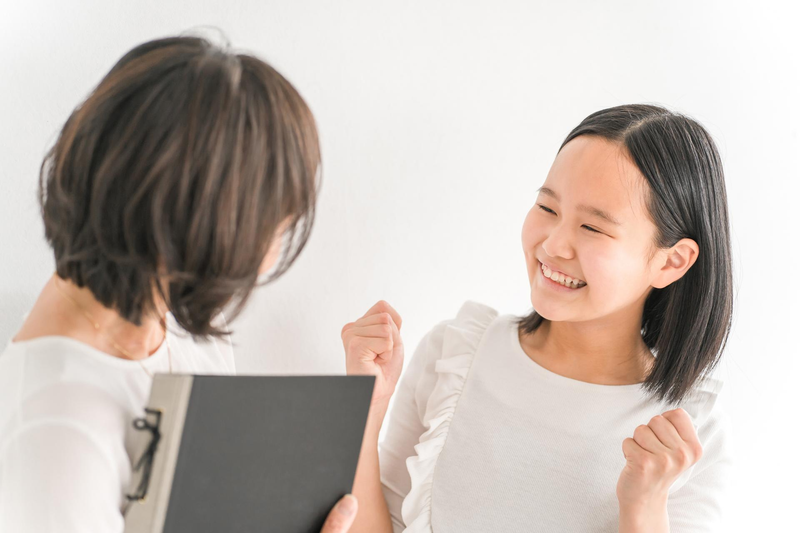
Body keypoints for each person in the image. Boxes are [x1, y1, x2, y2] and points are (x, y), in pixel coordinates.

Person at [0, 34, 389, 532]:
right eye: (273, 227)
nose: (270, 256)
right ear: (191, 228)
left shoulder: (170, 313)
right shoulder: (57, 432)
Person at [343, 104, 736, 532]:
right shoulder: (454, 355)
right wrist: (366, 407)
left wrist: (643, 506)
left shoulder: (686, 438)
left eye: (593, 228)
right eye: (547, 208)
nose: (553, 245)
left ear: (672, 262)